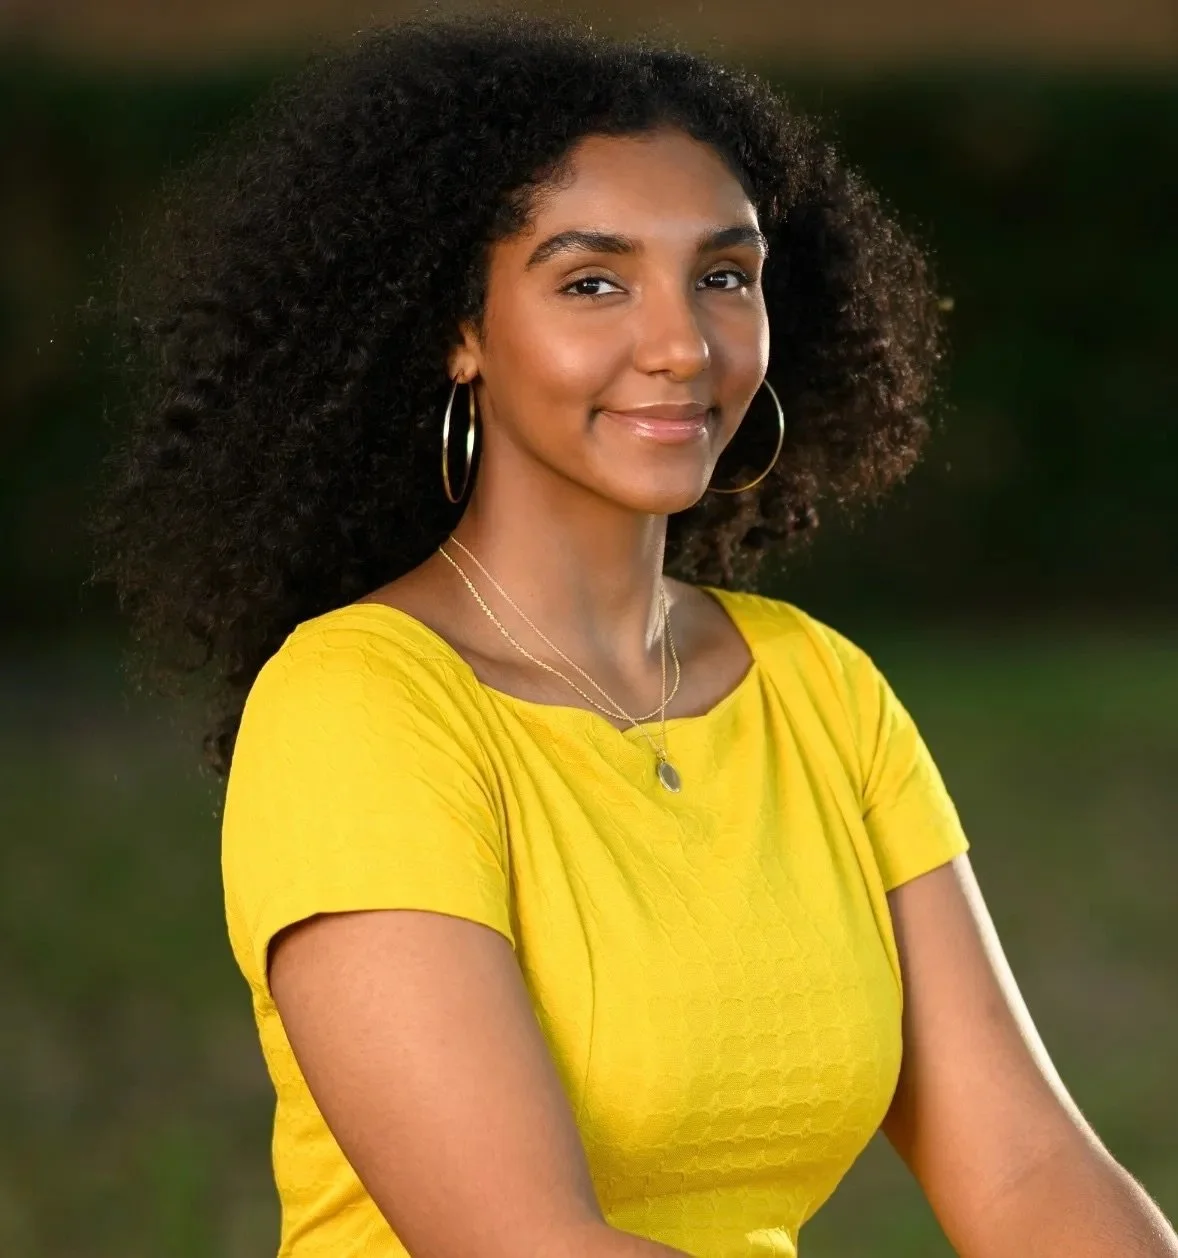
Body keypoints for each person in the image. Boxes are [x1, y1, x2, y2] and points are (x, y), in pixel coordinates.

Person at [90, 12, 1178, 1258]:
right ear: (458, 329)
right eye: (591, 281)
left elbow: (1028, 1168)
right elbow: (522, 1241)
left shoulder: (815, 689)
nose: (679, 345)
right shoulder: (357, 709)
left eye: (721, 275)